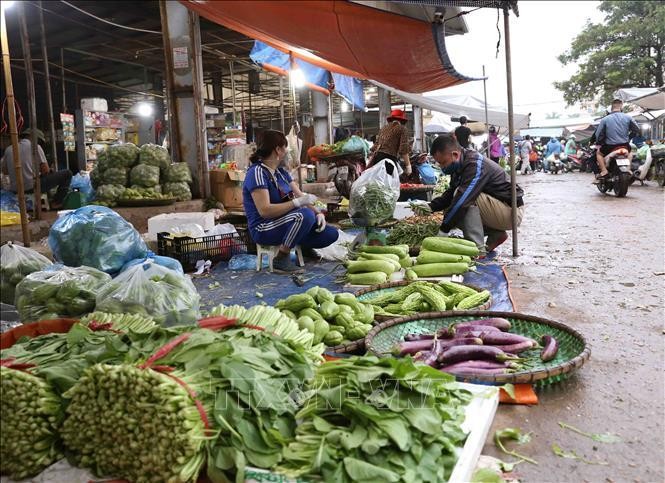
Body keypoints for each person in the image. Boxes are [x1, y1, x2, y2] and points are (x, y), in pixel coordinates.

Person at [242, 130, 339, 273]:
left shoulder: (281, 173)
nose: (287, 152)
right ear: (278, 150)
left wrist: (318, 213)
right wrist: (296, 203)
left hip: (285, 222)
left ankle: (304, 248)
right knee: (303, 215)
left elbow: (300, 196)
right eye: (285, 148)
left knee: (330, 233)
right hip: (263, 228)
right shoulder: (257, 173)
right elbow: (265, 211)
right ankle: (281, 258)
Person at [427, 135, 525, 257]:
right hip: (499, 208)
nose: (442, 167)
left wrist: (444, 229)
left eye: (443, 162)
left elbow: (462, 199)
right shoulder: (460, 164)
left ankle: (477, 249)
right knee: (454, 205)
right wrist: (431, 207)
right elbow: (451, 193)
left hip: (511, 211)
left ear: (455, 155)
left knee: (463, 200)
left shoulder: (475, 164)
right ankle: (496, 234)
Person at [1, 128, 72, 209]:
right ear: (34, 137)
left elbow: (5, 171)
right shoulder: (35, 147)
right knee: (67, 174)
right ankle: (56, 203)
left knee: (44, 178)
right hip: (31, 187)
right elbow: (45, 170)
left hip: (15, 188)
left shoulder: (9, 149)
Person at [593, 98, 640, 179]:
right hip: (624, 145)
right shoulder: (628, 117)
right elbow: (637, 130)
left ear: (611, 109)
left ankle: (604, 171)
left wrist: (599, 143)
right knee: (630, 153)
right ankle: (628, 169)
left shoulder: (605, 119)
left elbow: (598, 134)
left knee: (599, 154)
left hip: (609, 146)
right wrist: (629, 137)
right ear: (621, 107)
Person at [368, 109, 412, 176]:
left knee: (379, 183)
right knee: (389, 183)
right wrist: (408, 166)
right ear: (402, 120)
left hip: (378, 158)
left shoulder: (383, 128)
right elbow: (403, 149)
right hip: (389, 159)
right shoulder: (402, 129)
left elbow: (375, 146)